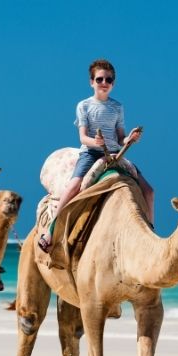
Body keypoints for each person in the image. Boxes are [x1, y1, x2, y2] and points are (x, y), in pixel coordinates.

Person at [38, 58, 154, 253]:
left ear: (113, 83)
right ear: (91, 82)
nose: (104, 83)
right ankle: (51, 230)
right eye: (99, 79)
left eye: (108, 80)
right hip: (91, 153)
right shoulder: (84, 106)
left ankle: (149, 233)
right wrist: (96, 142)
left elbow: (120, 137)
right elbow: (83, 137)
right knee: (74, 185)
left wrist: (130, 139)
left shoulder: (117, 107)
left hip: (115, 154)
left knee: (149, 191)